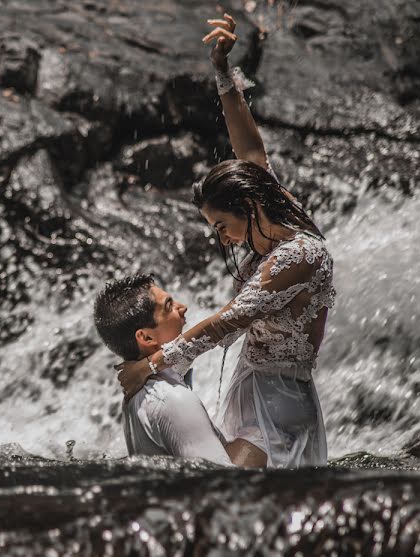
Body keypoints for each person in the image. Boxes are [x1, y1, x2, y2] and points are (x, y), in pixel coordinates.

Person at [114, 14, 335, 468]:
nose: (223, 238)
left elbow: (227, 323)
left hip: (280, 402)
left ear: (248, 206)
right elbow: (251, 152)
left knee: (232, 497)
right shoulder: (276, 215)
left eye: (221, 225)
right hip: (255, 384)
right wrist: (222, 72)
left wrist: (152, 365)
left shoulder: (298, 254)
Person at [94, 274, 267, 467]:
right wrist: (258, 446)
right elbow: (221, 484)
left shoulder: (139, 395)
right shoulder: (173, 400)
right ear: (146, 337)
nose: (183, 307)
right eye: (169, 306)